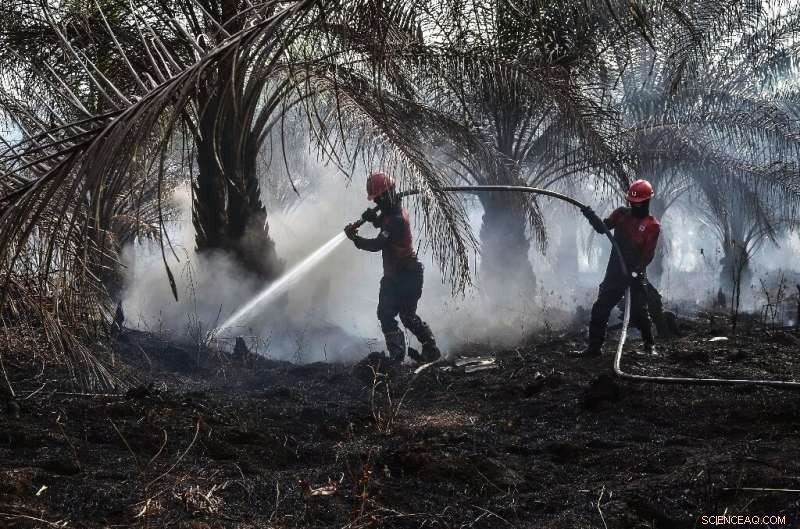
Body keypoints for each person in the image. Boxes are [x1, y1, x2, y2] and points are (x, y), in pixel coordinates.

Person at [344, 172, 441, 364]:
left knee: (407, 316)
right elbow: (382, 221)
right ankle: (398, 357)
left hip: (408, 275)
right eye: (375, 199)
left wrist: (354, 238)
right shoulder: (391, 212)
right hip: (393, 276)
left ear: (387, 195)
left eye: (379, 198)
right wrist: (372, 218)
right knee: (385, 314)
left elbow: (377, 244)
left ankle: (430, 349)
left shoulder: (397, 218)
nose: (377, 202)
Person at [580, 179, 661, 356]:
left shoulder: (652, 225)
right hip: (615, 271)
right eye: (632, 202)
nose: (634, 206)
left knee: (639, 311)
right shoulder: (621, 214)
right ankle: (594, 348)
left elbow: (648, 254)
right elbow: (603, 228)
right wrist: (590, 215)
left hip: (634, 273)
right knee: (600, 307)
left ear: (647, 201)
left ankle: (650, 346)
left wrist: (635, 271)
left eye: (638, 203)